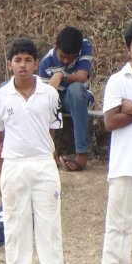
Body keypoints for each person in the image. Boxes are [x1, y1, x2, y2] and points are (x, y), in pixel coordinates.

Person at [0, 37, 79, 264]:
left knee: (49, 226)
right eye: (18, 61)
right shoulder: (0, 97)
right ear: (10, 65)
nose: (23, 66)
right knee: (16, 227)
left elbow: (52, 131)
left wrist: (49, 159)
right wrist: (1, 174)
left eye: (28, 60)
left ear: (37, 64)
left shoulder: (49, 95)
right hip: (13, 165)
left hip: (42, 164)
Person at [98, 20, 132, 264]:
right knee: (118, 228)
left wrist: (130, 108)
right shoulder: (118, 80)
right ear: (129, 48)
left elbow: (121, 114)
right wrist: (123, 111)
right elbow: (110, 121)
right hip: (125, 165)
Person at [39, 25, 94, 171]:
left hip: (77, 98)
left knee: (76, 89)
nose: (65, 61)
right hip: (55, 99)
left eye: (70, 58)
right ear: (55, 46)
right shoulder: (46, 63)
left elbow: (82, 76)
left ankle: (82, 153)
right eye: (62, 56)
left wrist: (61, 76)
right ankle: (50, 152)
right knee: (48, 100)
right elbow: (45, 102)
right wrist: (50, 148)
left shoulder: (84, 46)